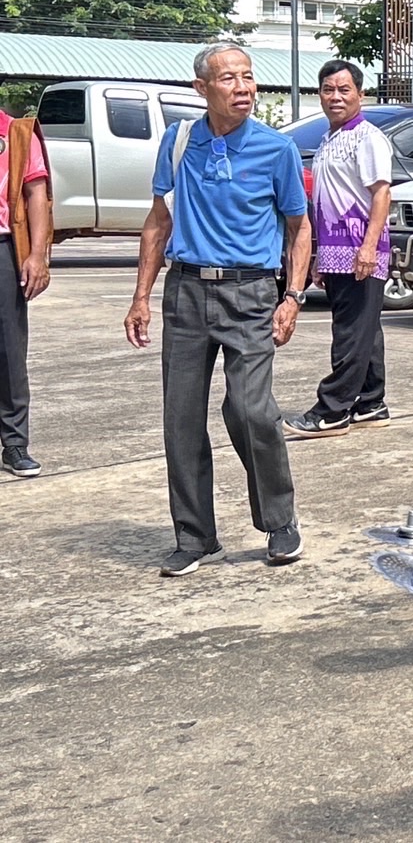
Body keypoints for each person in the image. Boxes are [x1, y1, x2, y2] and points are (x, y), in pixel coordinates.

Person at [124, 43, 311, 577]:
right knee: (180, 419)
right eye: (229, 78)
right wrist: (141, 295)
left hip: (250, 294)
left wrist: (292, 295)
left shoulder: (276, 149)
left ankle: (279, 520)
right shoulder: (180, 141)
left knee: (251, 410)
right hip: (184, 292)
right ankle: (195, 536)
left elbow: (299, 229)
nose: (244, 87)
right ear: (201, 89)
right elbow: (158, 222)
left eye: (248, 77)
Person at [284, 60, 394, 438]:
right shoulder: (330, 139)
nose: (336, 97)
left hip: (360, 250)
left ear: (360, 95)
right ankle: (370, 401)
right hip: (333, 250)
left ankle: (332, 410)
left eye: (344, 90)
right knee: (364, 329)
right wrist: (316, 256)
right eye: (329, 90)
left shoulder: (368, 138)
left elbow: (381, 194)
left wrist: (367, 247)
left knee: (351, 332)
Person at [0, 107, 51, 477]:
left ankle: (15, 443)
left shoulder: (16, 133)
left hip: (3, 248)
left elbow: (36, 194)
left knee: (9, 349)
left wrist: (36, 254)